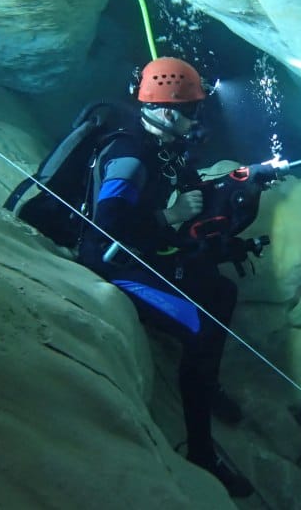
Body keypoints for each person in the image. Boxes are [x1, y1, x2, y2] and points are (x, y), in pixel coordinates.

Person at [77, 57, 254, 498]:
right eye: (193, 109)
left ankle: (206, 384)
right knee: (199, 324)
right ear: (170, 111)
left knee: (221, 290)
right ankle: (201, 450)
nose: (198, 118)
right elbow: (108, 221)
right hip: (113, 263)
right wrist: (169, 215)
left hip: (142, 251)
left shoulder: (163, 144)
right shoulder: (132, 154)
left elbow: (188, 184)